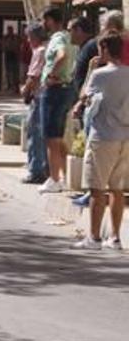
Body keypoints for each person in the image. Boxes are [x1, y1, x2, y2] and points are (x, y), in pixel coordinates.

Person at [70, 33, 128, 251]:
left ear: (104, 49)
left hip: (103, 137)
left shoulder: (100, 75)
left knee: (96, 189)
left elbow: (85, 96)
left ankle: (94, 237)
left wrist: (90, 71)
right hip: (125, 137)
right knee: (117, 189)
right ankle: (115, 237)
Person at [37, 7, 78, 194]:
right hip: (66, 89)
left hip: (54, 91)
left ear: (52, 20)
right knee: (58, 136)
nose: (43, 24)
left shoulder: (58, 38)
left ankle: (54, 179)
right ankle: (63, 175)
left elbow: (62, 55)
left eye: (45, 20)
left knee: (51, 138)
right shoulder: (70, 37)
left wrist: (51, 75)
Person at [20, 24, 49, 185]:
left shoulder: (40, 52)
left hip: (38, 96)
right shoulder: (48, 48)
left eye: (29, 37)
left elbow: (34, 76)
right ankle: (42, 167)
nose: (28, 41)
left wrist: (25, 90)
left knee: (34, 133)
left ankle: (35, 170)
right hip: (46, 95)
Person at [3, 26, 21, 92]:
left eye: (11, 30)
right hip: (8, 54)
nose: (9, 31)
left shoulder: (16, 37)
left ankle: (16, 86)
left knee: (15, 72)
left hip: (15, 55)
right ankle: (9, 85)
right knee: (8, 71)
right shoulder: (5, 37)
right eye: (8, 30)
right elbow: (4, 46)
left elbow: (18, 45)